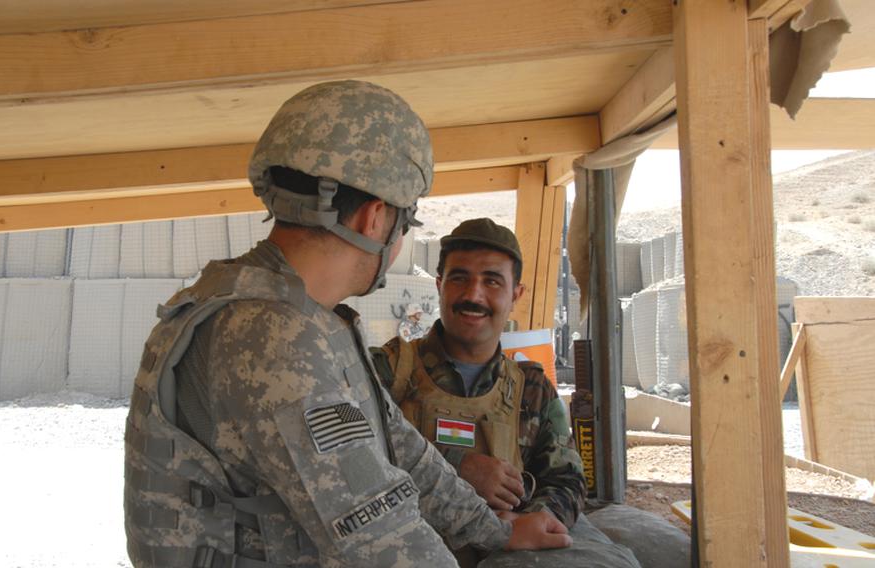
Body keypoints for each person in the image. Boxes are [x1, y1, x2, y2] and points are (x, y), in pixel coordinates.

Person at [123, 81, 572, 568]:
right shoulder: (268, 333)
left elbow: (400, 448)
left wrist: (496, 530)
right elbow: (380, 537)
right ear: (374, 219)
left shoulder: (308, 319)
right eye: (405, 224)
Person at [372, 218, 642, 567]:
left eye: (492, 281)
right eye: (459, 278)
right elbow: (346, 457)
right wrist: (457, 467)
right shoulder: (388, 370)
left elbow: (566, 480)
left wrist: (531, 520)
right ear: (439, 286)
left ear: (516, 294)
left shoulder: (531, 390)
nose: (473, 294)